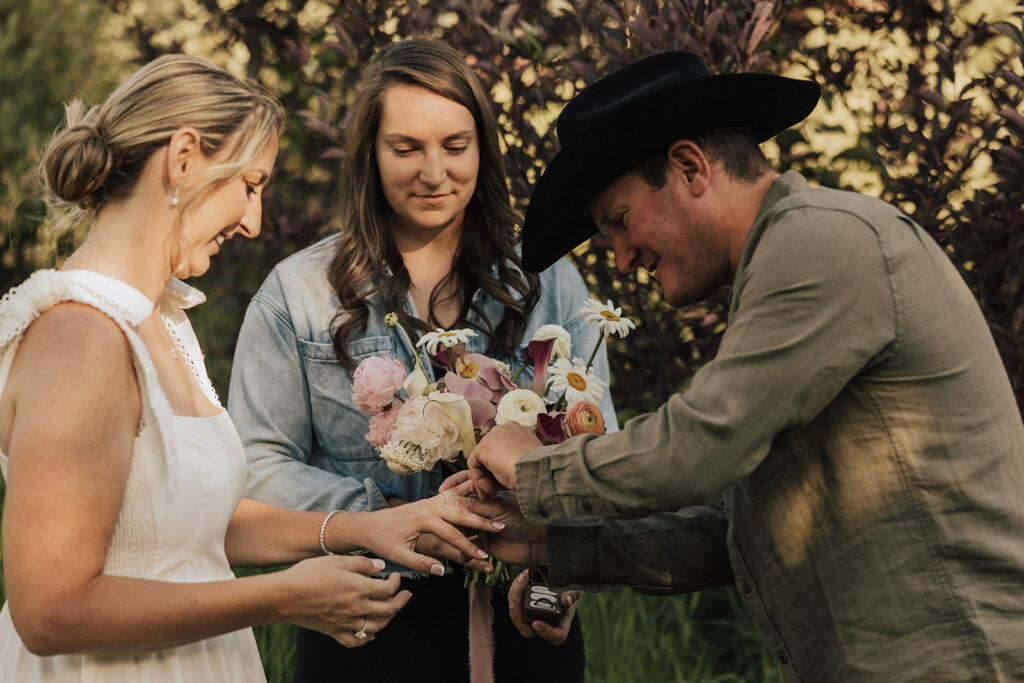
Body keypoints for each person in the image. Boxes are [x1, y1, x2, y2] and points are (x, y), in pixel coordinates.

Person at [465, 50, 1024, 680]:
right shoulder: (783, 269)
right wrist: (551, 544)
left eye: (620, 222)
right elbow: (741, 531)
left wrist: (534, 467)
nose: (620, 259)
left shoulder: (820, 242)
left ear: (689, 167)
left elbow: (699, 446)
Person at [0, 53, 502, 682]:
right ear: (184, 160)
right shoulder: (79, 335)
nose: (253, 220)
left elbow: (199, 519)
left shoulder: (161, 318)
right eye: (250, 184)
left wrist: (370, 528)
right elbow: (50, 612)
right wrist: (284, 597)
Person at [228, 38, 615, 683]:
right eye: (406, 148)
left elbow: (605, 444)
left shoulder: (547, 281)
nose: (433, 172)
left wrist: (558, 562)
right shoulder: (299, 293)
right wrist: (383, 516)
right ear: (370, 156)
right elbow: (252, 468)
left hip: (524, 619)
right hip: (364, 620)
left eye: (454, 147)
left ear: (482, 151)